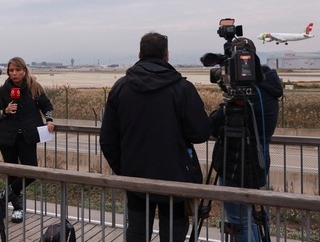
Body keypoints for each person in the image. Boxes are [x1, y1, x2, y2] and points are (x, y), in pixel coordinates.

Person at [100, 32, 211, 242]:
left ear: (140, 54)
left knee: (137, 233)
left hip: (135, 176)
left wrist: (124, 168)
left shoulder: (121, 87)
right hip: (176, 179)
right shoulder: (182, 88)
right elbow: (200, 133)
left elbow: (107, 139)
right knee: (173, 234)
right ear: (167, 55)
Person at [209, 37, 283, 242]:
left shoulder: (249, 96)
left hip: (235, 165)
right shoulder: (269, 89)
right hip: (260, 162)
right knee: (257, 219)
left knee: (239, 222)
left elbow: (213, 126)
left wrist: (226, 104)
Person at [0, 56, 55, 223]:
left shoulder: (34, 87)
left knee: (31, 171)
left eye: (17, 70)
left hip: (28, 137)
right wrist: (5, 111)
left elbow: (47, 106)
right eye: (11, 70)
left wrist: (49, 119)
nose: (14, 74)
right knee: (13, 173)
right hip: (7, 137)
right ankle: (18, 209)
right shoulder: (4, 90)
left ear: (24, 70)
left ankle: (4, 196)